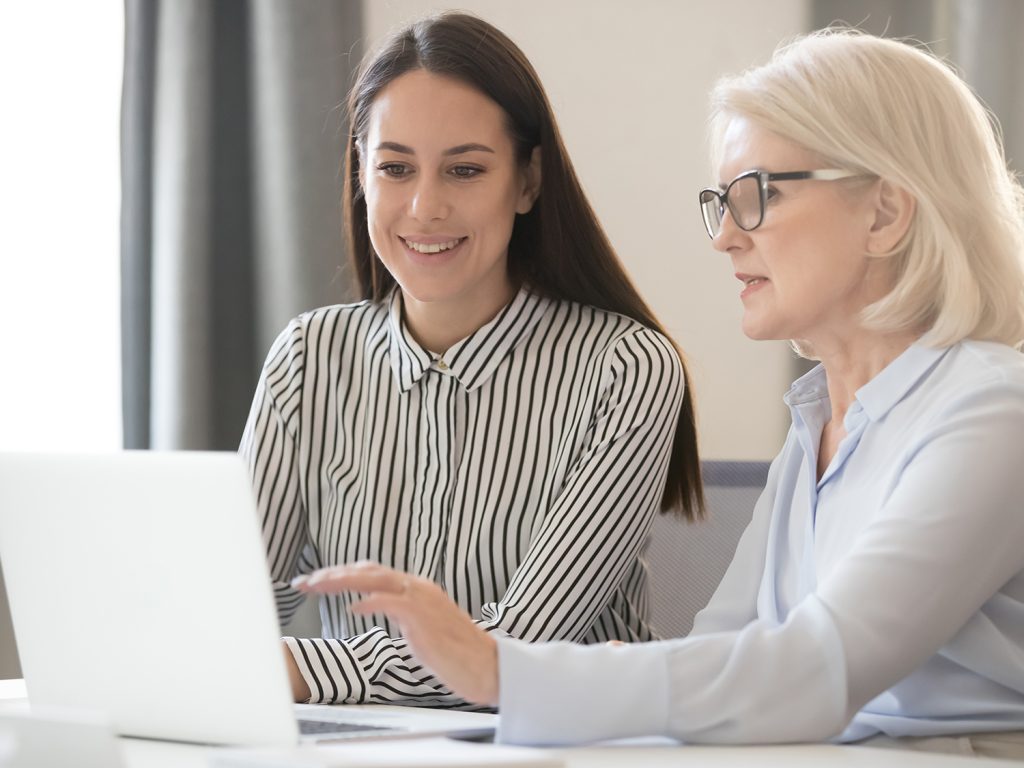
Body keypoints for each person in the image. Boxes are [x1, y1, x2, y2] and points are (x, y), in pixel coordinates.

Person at [294, 28, 1024, 756]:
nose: (725, 238)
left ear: (885, 214)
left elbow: (814, 669)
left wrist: (500, 669)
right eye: (724, 200)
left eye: (757, 195)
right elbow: (721, 653)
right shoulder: (820, 427)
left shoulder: (994, 412)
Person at [239, 11, 703, 708]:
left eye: (464, 169)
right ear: (361, 177)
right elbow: (228, 622)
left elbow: (511, 658)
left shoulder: (626, 368)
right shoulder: (308, 358)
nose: (425, 206)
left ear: (527, 182)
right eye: (395, 168)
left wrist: (303, 669)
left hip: (566, 748)